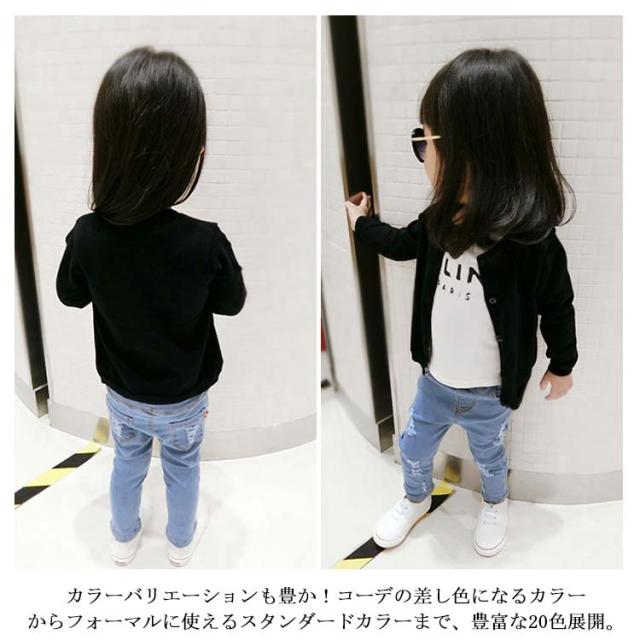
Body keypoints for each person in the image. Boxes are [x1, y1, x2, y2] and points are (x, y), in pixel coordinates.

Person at [345, 48, 577, 557]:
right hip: (434, 381)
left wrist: (563, 364)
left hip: (491, 392)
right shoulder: (438, 222)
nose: (422, 152)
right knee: (412, 446)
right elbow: (400, 244)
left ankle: (495, 502)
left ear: (475, 150)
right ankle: (415, 498)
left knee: (490, 455)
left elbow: (559, 305)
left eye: (425, 140)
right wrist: (361, 224)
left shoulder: (532, 242)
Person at [56, 47, 246, 567]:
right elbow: (232, 303)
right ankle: (180, 544)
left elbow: (70, 294)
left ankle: (123, 539)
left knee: (127, 462)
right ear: (187, 153)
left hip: (123, 392)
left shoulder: (88, 236)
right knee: (182, 467)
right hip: (183, 399)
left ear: (107, 145)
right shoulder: (204, 242)